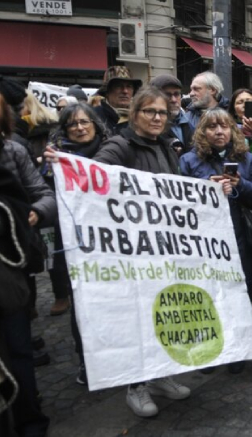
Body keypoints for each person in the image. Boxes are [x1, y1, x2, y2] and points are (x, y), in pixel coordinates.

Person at [69, 86, 194, 417]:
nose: (156, 118)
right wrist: (64, 164)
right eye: (149, 111)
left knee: (164, 313)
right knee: (140, 316)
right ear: (135, 114)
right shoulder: (120, 145)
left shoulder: (167, 147)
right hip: (135, 253)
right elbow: (94, 180)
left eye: (162, 113)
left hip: (165, 249)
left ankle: (160, 374)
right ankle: (136, 385)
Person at [179, 108, 252, 375]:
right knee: (207, 297)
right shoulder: (188, 161)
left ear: (232, 131)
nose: (219, 132)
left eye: (224, 126)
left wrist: (239, 186)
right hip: (205, 243)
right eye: (212, 127)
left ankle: (238, 349)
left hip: (241, 241)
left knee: (241, 298)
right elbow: (178, 199)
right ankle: (209, 350)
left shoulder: (247, 159)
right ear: (202, 132)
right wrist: (206, 186)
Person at [42, 103, 109, 385]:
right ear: (64, 129)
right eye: (73, 124)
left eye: (85, 122)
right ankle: (87, 360)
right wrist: (49, 169)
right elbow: (45, 196)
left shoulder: (111, 151)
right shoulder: (54, 157)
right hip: (73, 242)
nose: (80, 128)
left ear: (95, 124)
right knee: (82, 301)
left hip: (108, 240)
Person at [0, 92, 53, 437]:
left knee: (17, 349)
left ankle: (29, 419)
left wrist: (34, 214)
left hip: (8, 273)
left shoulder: (11, 151)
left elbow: (43, 194)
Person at [149, 74, 193, 154]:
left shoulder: (189, 123)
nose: (173, 100)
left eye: (176, 94)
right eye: (167, 95)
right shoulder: (149, 126)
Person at [93, 66, 143, 135]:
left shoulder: (140, 118)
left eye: (129, 86)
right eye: (118, 86)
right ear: (107, 91)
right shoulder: (93, 116)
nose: (125, 91)